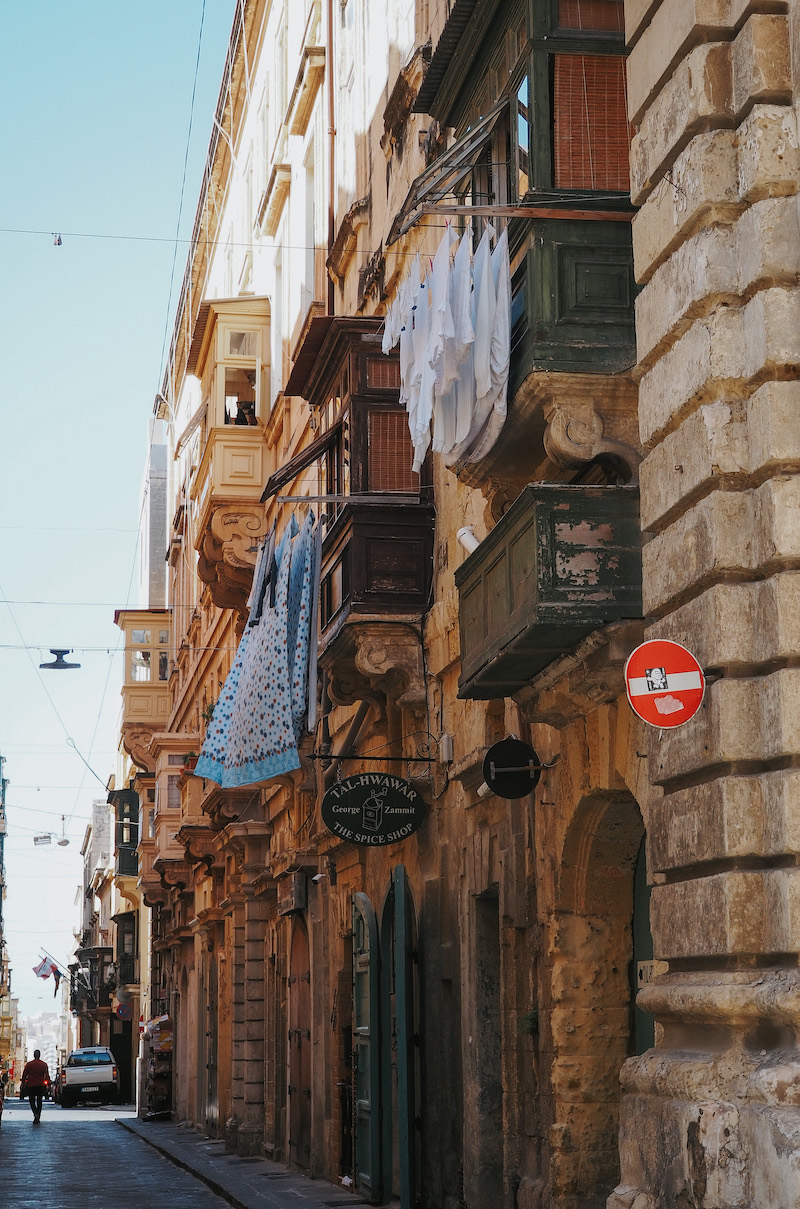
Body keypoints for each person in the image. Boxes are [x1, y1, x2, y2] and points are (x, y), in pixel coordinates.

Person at [20, 1049, 50, 1124]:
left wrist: (23, 1082)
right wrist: (48, 1084)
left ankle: (35, 1113)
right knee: (39, 1101)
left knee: (32, 1101)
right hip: (40, 1085)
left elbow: (24, 1074)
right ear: (39, 1055)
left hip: (31, 1085)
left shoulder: (29, 1064)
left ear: (34, 1055)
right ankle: (38, 1115)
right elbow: (47, 1075)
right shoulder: (44, 1064)